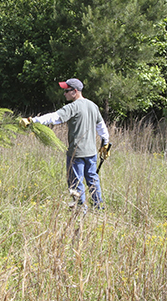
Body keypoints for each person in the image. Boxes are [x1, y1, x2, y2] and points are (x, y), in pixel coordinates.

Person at [21, 78, 110, 211]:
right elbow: (102, 127)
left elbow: (54, 117)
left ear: (75, 91)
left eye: (66, 91)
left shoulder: (73, 107)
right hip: (91, 153)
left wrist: (33, 120)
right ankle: (99, 208)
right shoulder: (93, 105)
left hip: (77, 153)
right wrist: (105, 143)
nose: (64, 94)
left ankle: (80, 210)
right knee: (93, 180)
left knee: (76, 182)